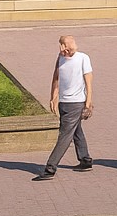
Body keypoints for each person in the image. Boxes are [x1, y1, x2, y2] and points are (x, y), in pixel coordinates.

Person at [34, 34, 93, 180]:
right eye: (64, 46)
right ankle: (85, 160)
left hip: (76, 103)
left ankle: (50, 168)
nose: (67, 49)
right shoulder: (60, 58)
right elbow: (56, 78)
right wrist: (53, 97)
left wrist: (88, 103)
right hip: (64, 102)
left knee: (65, 135)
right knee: (76, 130)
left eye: (69, 46)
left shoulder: (83, 58)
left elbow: (89, 83)